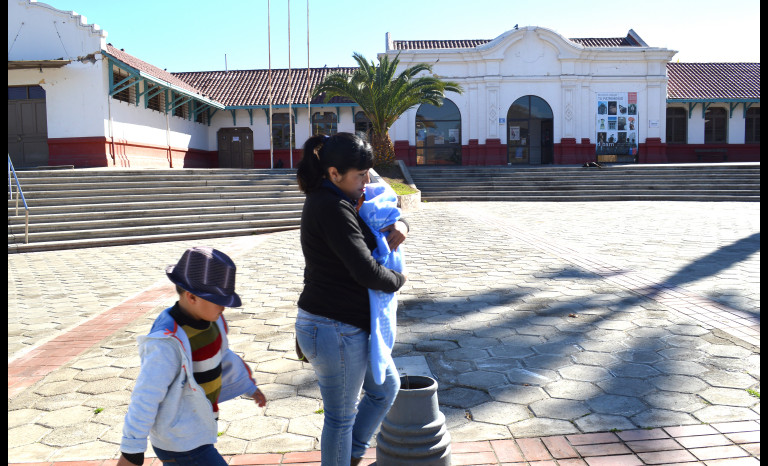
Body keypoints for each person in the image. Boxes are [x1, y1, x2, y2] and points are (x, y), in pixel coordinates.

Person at [295, 132, 408, 466]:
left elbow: (381, 219)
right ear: (334, 173)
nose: (366, 181)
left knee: (385, 388)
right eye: (360, 175)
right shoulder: (330, 206)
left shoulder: (341, 199)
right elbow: (366, 270)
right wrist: (398, 280)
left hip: (344, 325)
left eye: (367, 173)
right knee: (340, 418)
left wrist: (402, 222)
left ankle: (352, 455)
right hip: (333, 327)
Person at [117, 247, 267, 466]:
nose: (224, 307)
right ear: (192, 297)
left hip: (196, 429)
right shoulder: (166, 342)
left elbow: (222, 357)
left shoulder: (213, 322)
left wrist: (247, 386)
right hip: (181, 441)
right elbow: (146, 394)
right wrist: (132, 449)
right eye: (218, 300)